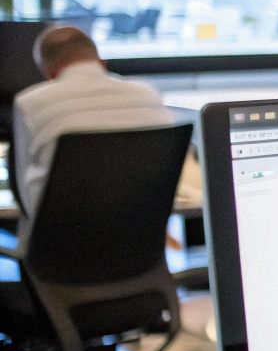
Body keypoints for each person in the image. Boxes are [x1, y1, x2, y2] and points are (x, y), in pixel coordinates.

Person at [12, 26, 197, 219]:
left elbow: (27, 201)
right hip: (143, 239)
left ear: (50, 75)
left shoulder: (30, 103)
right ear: (102, 63)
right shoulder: (148, 94)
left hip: (62, 241)